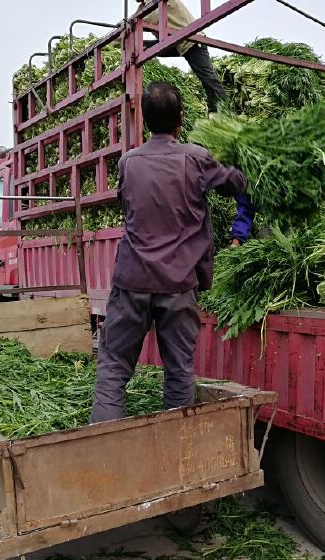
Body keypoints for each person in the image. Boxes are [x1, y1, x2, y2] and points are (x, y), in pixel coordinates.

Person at [90, 82, 247, 423]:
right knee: (178, 371)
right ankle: (175, 454)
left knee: (114, 369)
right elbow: (236, 183)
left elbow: (126, 202)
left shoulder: (128, 163)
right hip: (177, 283)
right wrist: (241, 154)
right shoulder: (195, 158)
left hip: (132, 280)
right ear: (180, 119)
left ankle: (103, 452)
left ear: (146, 120)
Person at [135, 0, 227, 113]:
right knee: (141, 46)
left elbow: (144, 19)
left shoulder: (154, 3)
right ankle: (216, 109)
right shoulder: (143, 6)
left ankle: (224, 110)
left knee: (208, 78)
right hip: (175, 42)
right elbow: (136, 20)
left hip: (192, 40)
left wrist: (130, 24)